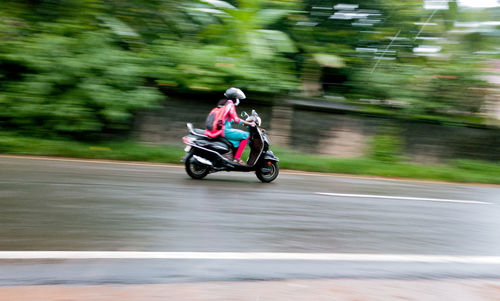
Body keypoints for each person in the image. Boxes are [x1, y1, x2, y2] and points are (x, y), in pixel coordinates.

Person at [205, 87, 255, 165]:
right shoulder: (230, 105)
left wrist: (244, 122)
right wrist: (249, 124)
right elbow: (236, 119)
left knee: (238, 139)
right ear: (234, 97)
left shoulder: (224, 104)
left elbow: (229, 119)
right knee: (247, 135)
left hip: (222, 129)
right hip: (224, 130)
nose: (238, 99)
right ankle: (237, 158)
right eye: (237, 97)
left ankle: (232, 157)